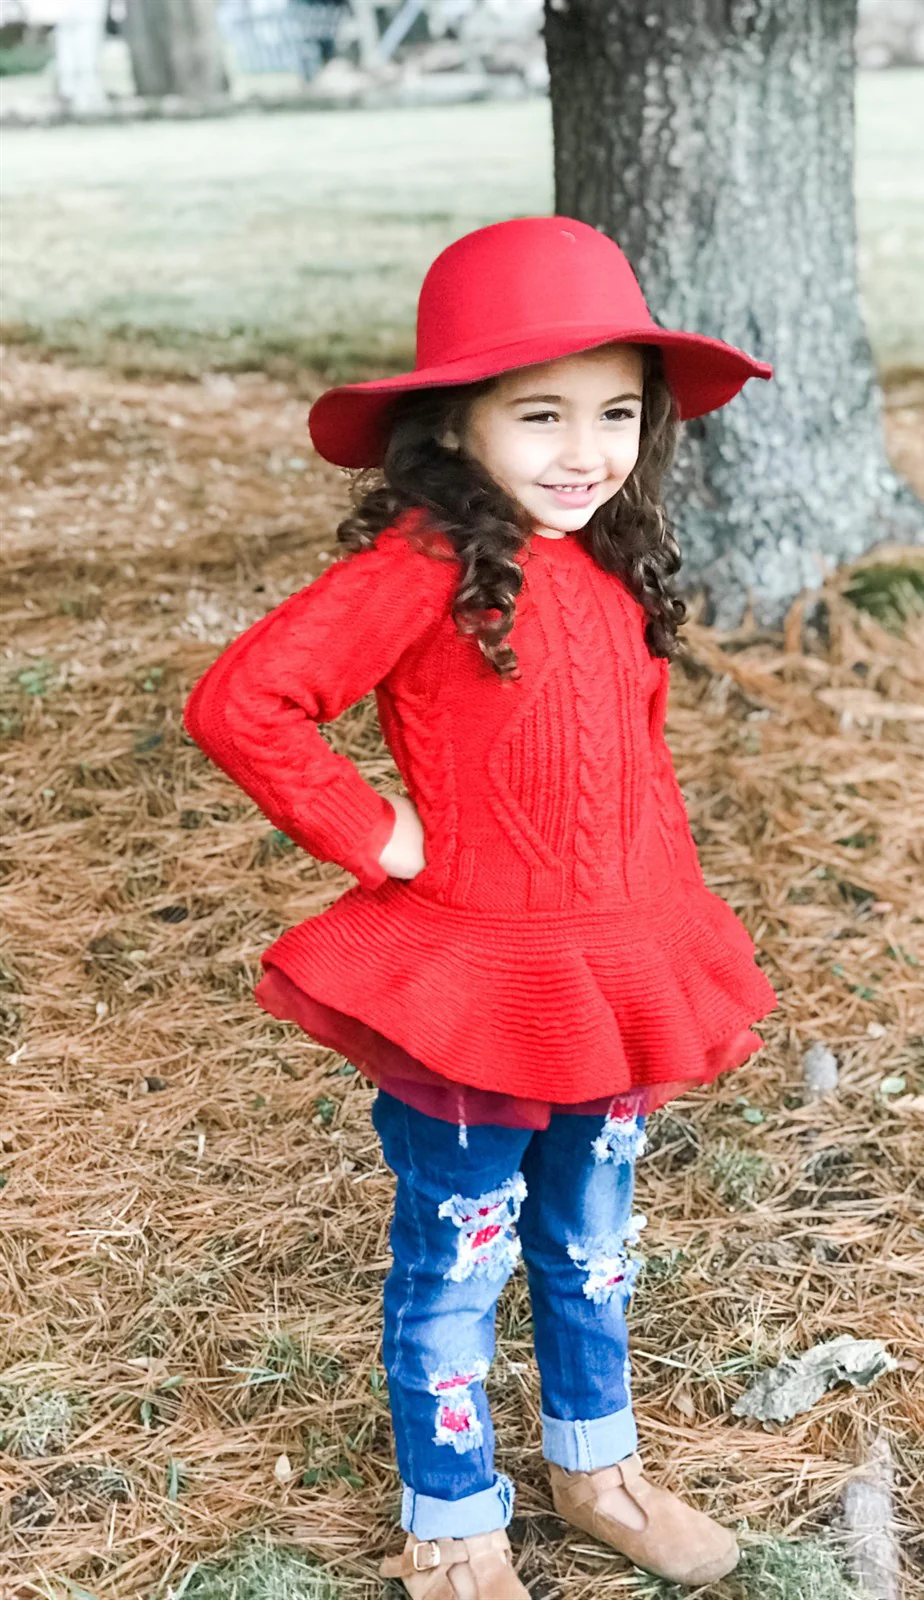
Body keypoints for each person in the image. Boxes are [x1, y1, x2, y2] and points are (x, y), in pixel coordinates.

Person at [183, 215, 777, 1599]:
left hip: (614, 979)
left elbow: (634, 771)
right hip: (476, 990)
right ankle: (452, 1520)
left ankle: (597, 1467)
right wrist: (370, 829)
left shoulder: (609, 567)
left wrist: (670, 930)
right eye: (543, 414)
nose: (588, 448)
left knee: (592, 1246)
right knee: (459, 1259)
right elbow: (245, 701)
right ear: (455, 425)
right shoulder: (422, 565)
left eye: (619, 411)